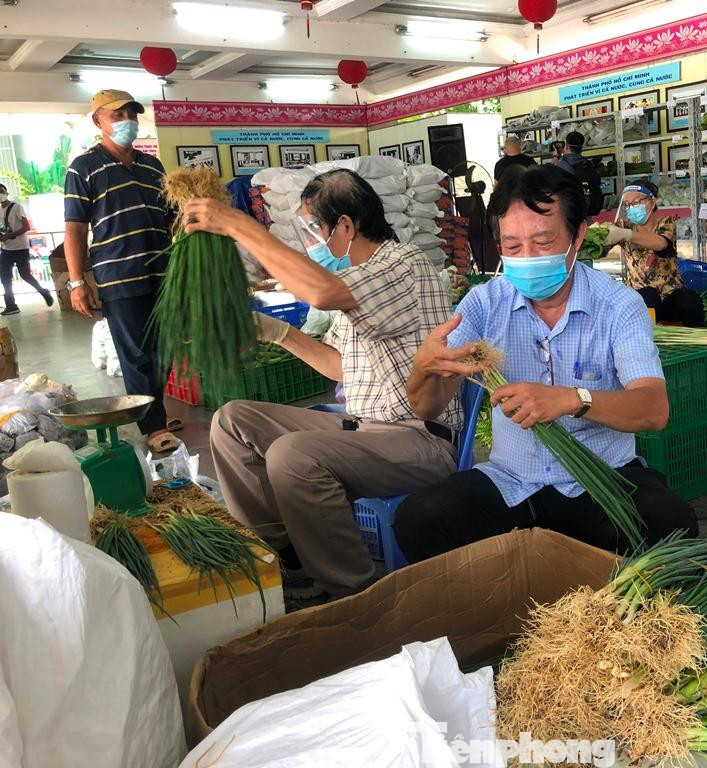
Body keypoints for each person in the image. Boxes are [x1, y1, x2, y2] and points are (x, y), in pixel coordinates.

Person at [183, 169, 463, 602]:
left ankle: (353, 593)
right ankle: (289, 555)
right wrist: (274, 332)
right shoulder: (358, 279)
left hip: (418, 441)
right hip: (362, 427)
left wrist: (238, 224)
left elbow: (322, 293)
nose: (311, 242)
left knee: (293, 455)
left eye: (313, 229)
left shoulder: (401, 265)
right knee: (232, 421)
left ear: (346, 226)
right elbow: (337, 365)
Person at [395, 165, 697, 563]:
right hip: (512, 481)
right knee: (421, 518)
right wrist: (424, 367)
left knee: (671, 523)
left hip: (602, 480)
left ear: (578, 235)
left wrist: (573, 399)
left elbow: (653, 409)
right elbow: (426, 407)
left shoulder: (619, 306)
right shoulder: (484, 305)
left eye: (543, 242)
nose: (527, 258)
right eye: (513, 247)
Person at [63, 89, 180, 453]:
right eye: (117, 115)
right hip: (119, 278)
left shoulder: (152, 166)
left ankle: (153, 409)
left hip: (162, 274)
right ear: (98, 120)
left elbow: (170, 219)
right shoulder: (84, 167)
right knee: (137, 355)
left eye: (131, 113)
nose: (126, 120)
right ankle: (153, 425)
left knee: (164, 350)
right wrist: (77, 282)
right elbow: (75, 230)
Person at [603, 181, 704, 325]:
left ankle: (700, 342)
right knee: (648, 294)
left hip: (669, 296)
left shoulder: (666, 222)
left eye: (636, 202)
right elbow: (602, 247)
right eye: (628, 204)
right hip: (639, 297)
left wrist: (627, 235)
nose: (632, 208)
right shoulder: (622, 227)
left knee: (690, 299)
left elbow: (660, 243)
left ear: (652, 202)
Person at [0, 184, 52, 315]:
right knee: (5, 276)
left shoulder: (17, 207)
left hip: (21, 248)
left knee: (25, 274)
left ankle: (44, 291)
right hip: (6, 249)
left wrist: (10, 236)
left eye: (1, 191)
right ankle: (11, 305)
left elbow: (26, 226)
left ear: (7, 192)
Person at [556, 131, 604, 217]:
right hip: (589, 208)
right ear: (582, 147)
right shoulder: (588, 164)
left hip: (571, 211)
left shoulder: (561, 165)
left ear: (566, 146)